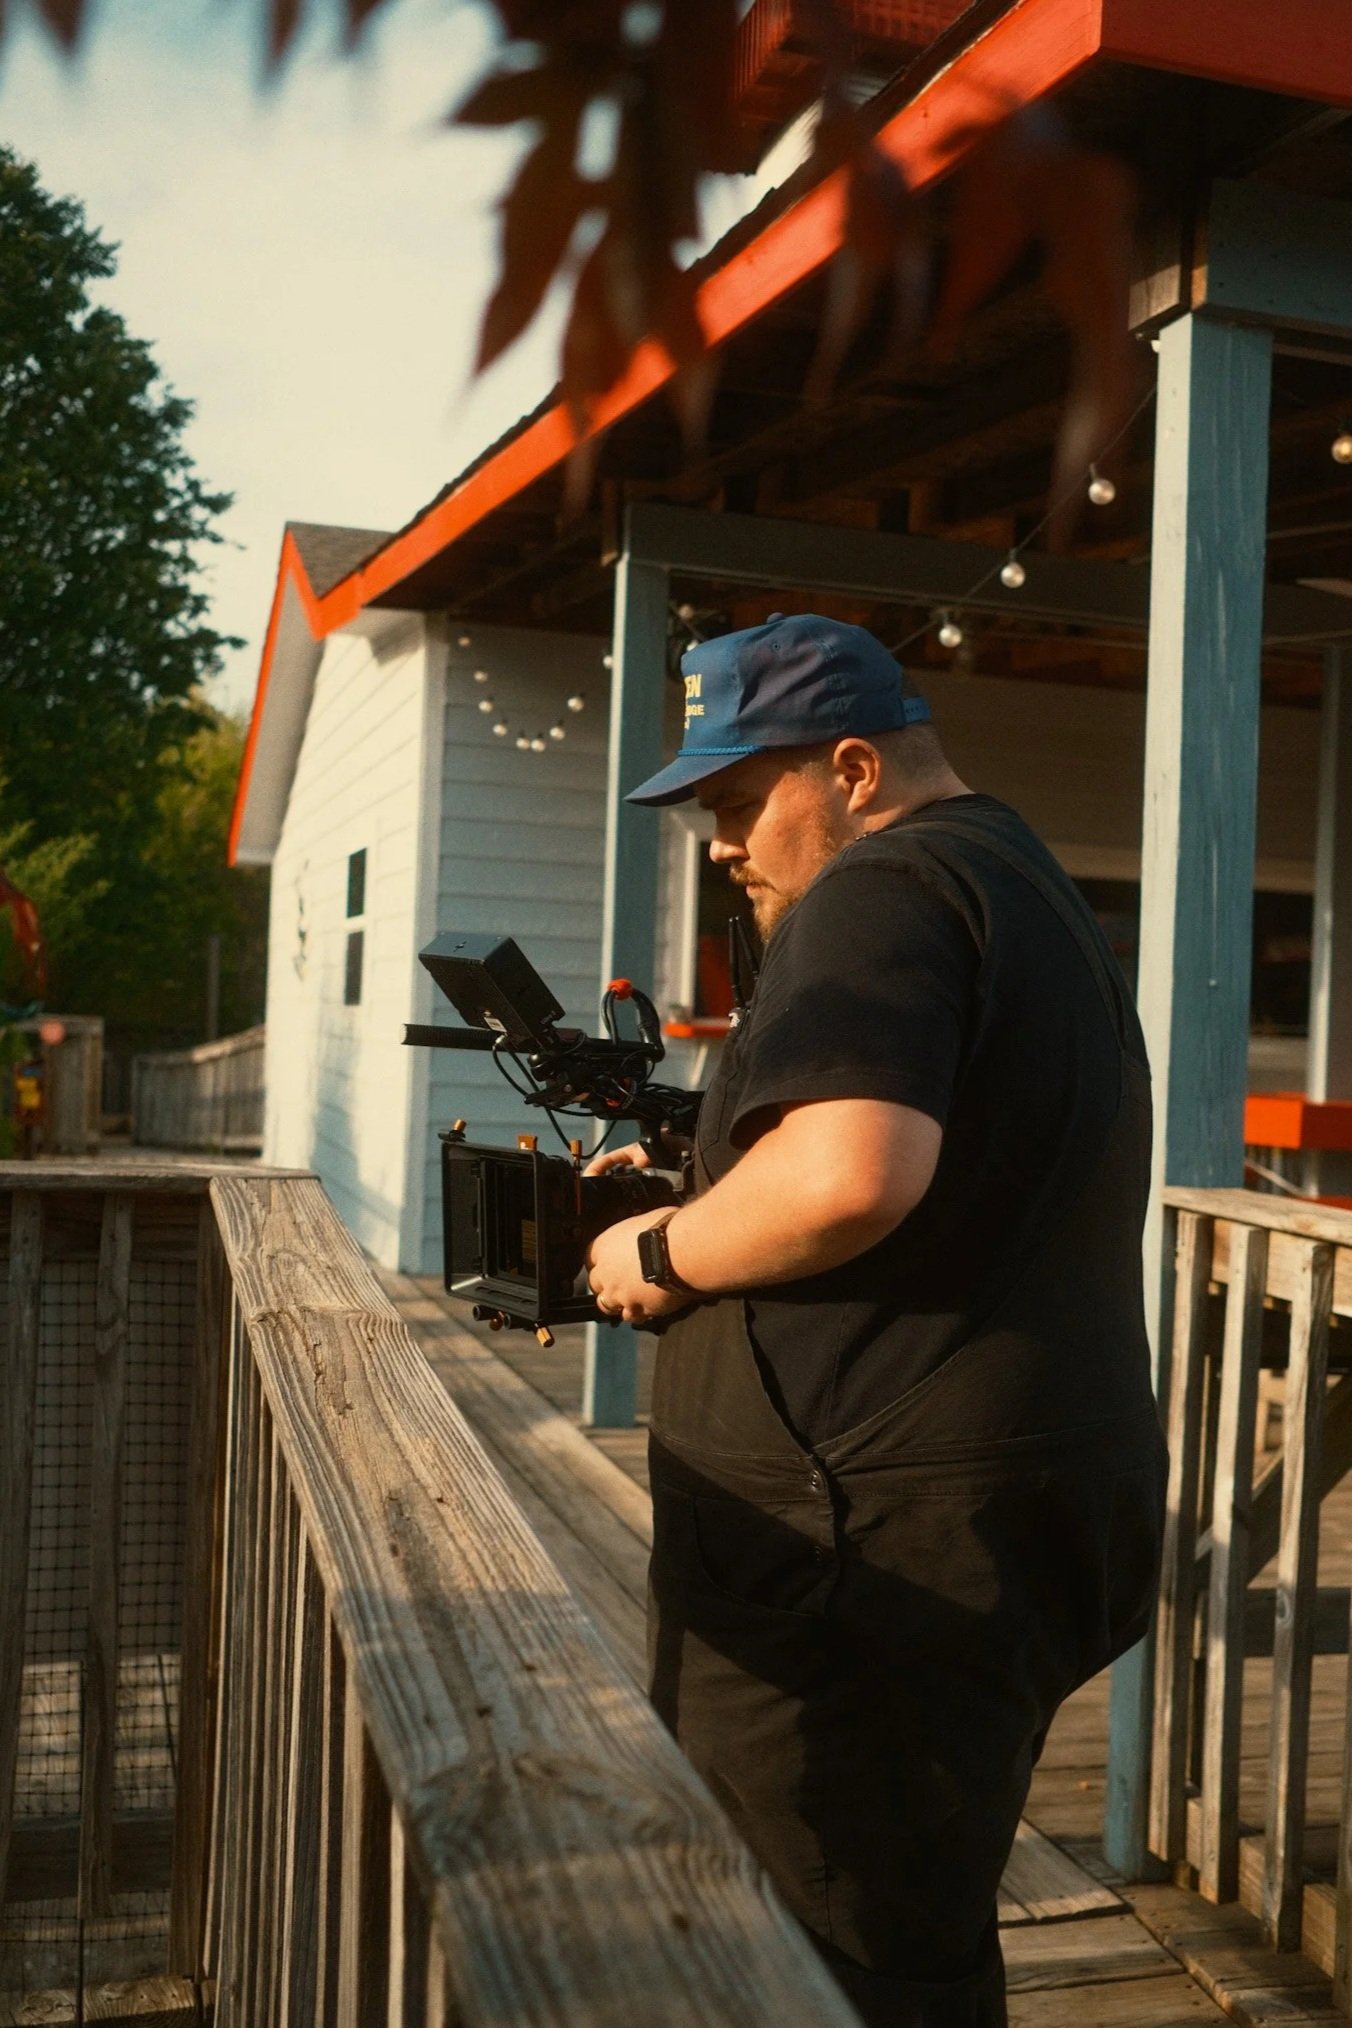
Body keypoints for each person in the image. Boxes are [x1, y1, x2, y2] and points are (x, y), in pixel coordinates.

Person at [584, 613, 1167, 2028]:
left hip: (874, 1558)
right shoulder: (1013, 874)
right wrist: (712, 1183)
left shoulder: (879, 886)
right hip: (993, 1512)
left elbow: (854, 1173)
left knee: (822, 1959)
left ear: (851, 767)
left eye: (736, 800)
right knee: (909, 1923)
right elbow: (944, 1162)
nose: (718, 841)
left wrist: (663, 1247)